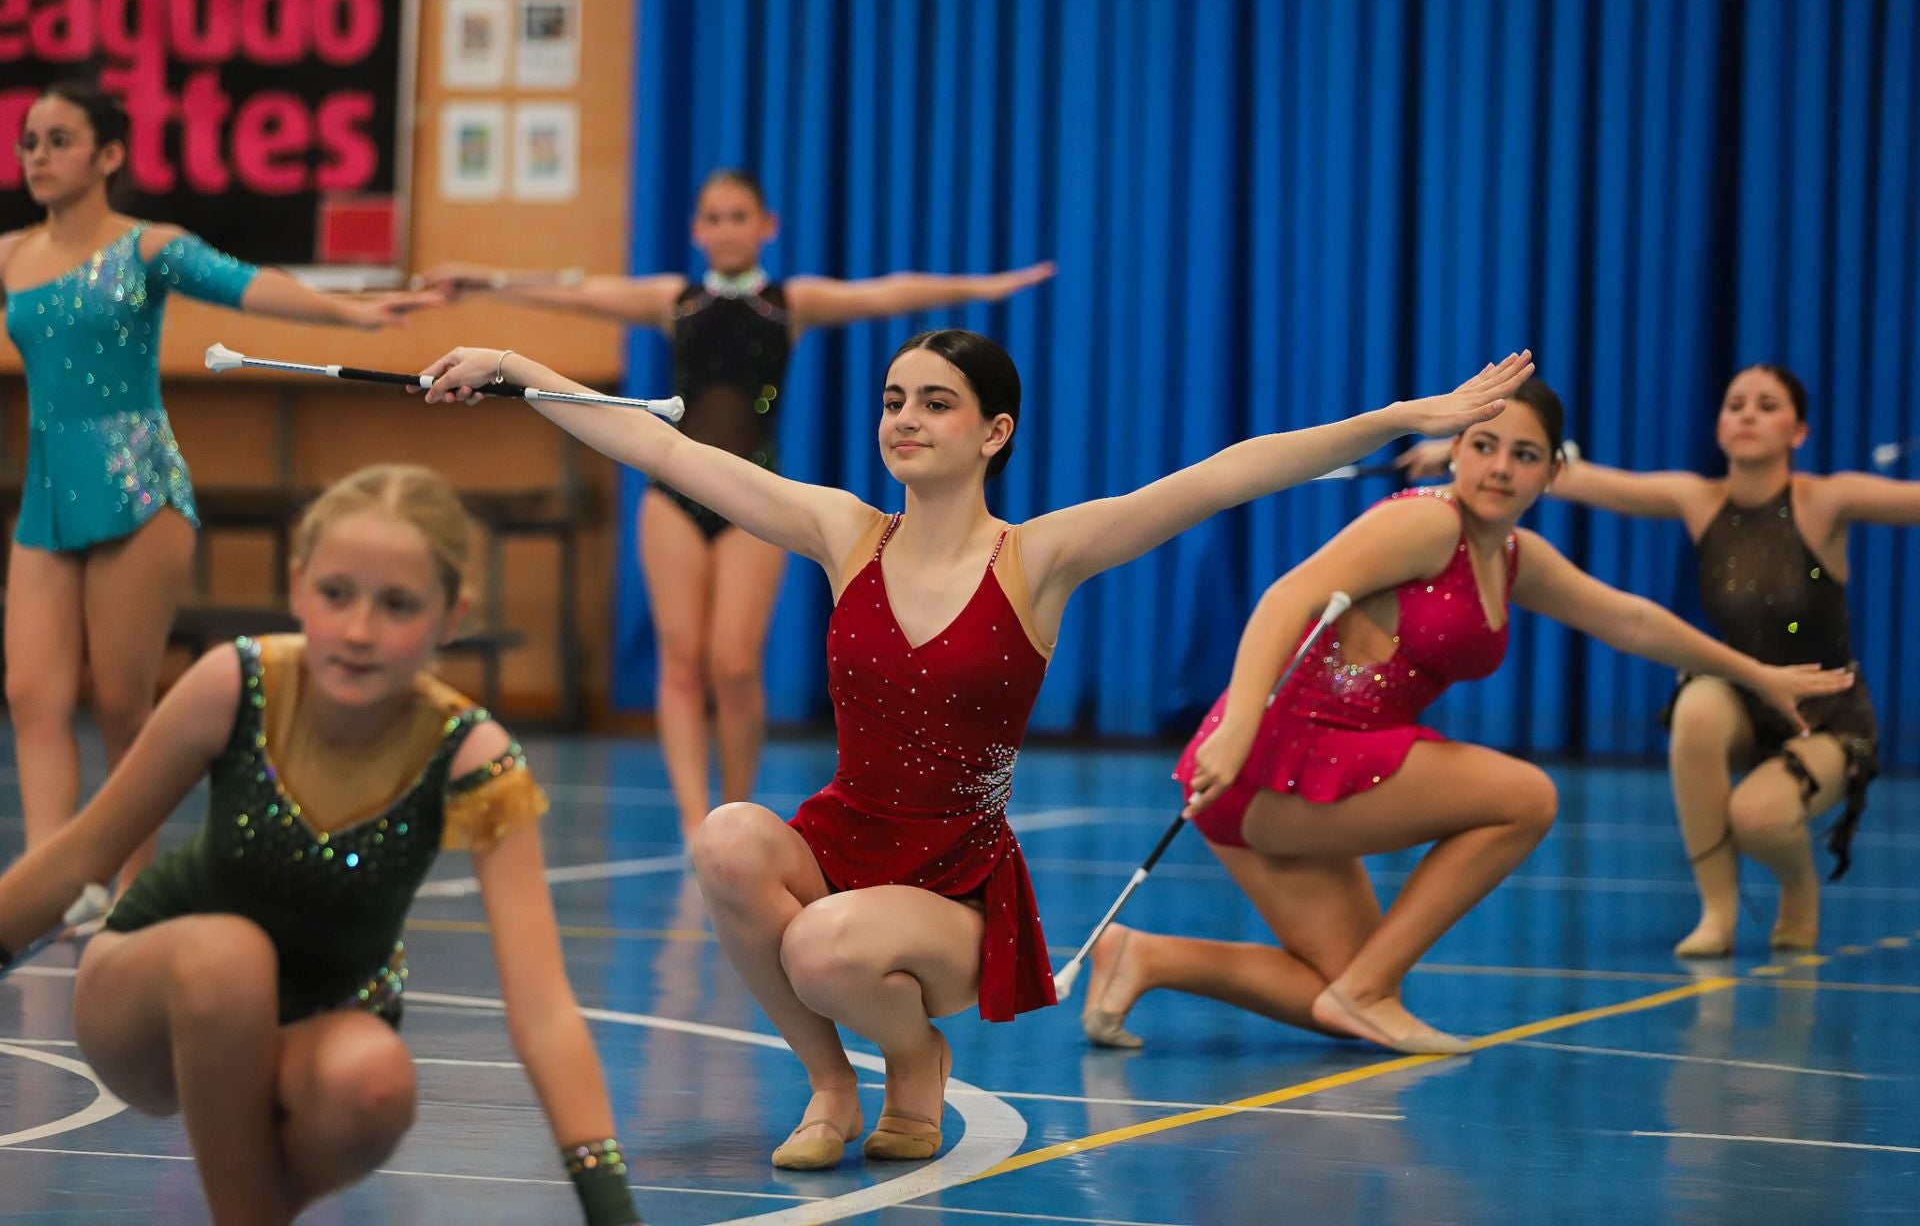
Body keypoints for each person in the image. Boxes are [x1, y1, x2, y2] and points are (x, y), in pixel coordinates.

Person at [419, 330, 1536, 1167]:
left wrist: (1404, 415)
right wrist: (515, 368)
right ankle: (832, 1086)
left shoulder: (1038, 559)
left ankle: (916, 1058)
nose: (905, 419)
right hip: (842, 844)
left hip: (956, 889)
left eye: (936, 403)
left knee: (824, 947)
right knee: (727, 839)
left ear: (994, 432)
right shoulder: (842, 531)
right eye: (893, 400)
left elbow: (1229, 472)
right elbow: (657, 443)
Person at [1077, 381, 1853, 1055]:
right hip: (1269, 765)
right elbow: (1287, 597)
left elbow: (1631, 621)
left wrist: (1757, 674)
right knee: (1525, 798)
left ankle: (1143, 959)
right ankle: (1368, 991)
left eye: (1525, 455)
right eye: (1484, 445)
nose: (1501, 467)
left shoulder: (1511, 556)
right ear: (1455, 451)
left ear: (1552, 474)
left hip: (1320, 771)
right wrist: (1240, 724)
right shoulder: (1426, 524)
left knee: (1339, 981)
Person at [0, 465, 641, 1226]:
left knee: (373, 1083)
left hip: (318, 1024)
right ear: (298, 587)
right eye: (337, 594)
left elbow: (544, 1010)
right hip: (150, 1002)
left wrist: (613, 1212)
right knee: (229, 958)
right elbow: (81, 857)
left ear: (452, 616)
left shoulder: (472, 756)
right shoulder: (237, 683)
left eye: (398, 605)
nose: (360, 631)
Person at [422, 169, 1055, 839]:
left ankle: (735, 805)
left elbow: (887, 292)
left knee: (734, 662)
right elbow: (575, 292)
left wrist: (983, 288)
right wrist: (481, 281)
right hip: (673, 494)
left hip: (753, 495)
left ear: (766, 227)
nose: (726, 230)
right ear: (696, 230)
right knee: (680, 659)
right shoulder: (676, 300)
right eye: (714, 218)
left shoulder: (789, 303)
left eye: (739, 217)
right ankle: (695, 818)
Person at [1, 81, 433, 885]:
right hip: (49, 492)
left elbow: (245, 283)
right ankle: (46, 886)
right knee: (30, 695)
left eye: (58, 140)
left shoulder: (148, 248)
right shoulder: (10, 255)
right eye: (29, 142)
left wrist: (351, 312)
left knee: (123, 708)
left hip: (138, 489)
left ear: (109, 155)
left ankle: (127, 890)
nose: (38, 156)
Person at [1400, 364, 1916, 954]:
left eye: (1767, 405)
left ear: (1798, 432)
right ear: (1719, 427)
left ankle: (1799, 889)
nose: (1748, 414)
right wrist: (1456, 452)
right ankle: (1717, 913)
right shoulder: (1698, 499)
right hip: (1742, 696)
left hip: (1822, 710)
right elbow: (1570, 476)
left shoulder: (1826, 500)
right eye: (1736, 404)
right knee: (1697, 705)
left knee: (1759, 818)